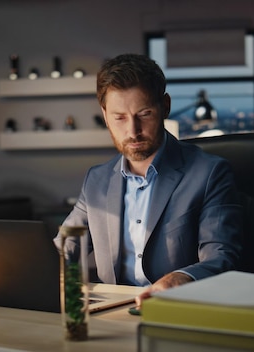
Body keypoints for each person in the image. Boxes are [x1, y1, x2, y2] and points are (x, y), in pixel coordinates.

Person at [54, 53, 242, 308]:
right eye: (119, 117)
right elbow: (65, 249)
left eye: (144, 114)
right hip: (111, 311)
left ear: (165, 106)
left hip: (176, 309)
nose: (132, 131)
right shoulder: (96, 180)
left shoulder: (210, 173)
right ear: (105, 114)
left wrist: (182, 278)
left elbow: (222, 257)